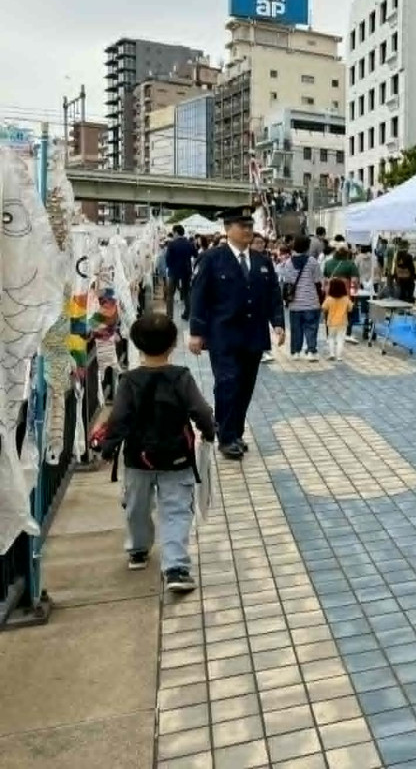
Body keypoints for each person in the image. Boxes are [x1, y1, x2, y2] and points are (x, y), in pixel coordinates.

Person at [100, 314, 215, 592]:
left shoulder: (129, 380)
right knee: (176, 510)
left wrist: (109, 446)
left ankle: (138, 550)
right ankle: (176, 568)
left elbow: (119, 417)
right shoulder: (181, 377)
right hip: (176, 456)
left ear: (137, 345)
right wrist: (208, 431)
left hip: (137, 458)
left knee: (136, 506)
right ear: (173, 344)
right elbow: (201, 410)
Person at [189, 207, 285, 459]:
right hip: (223, 336)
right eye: (242, 226)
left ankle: (236, 432)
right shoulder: (211, 259)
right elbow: (198, 296)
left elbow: (273, 295)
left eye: (250, 226)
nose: (248, 230)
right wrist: (196, 332)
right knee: (227, 384)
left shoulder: (262, 261)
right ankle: (226, 436)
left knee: (245, 387)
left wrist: (278, 323)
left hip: (253, 336)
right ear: (228, 229)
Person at [277, 234, 324, 362]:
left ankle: (295, 352)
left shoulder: (288, 263)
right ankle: (311, 351)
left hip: (295, 303)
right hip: (311, 301)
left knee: (296, 329)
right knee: (311, 327)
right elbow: (317, 281)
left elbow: (287, 281)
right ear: (307, 247)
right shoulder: (312, 261)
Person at [164, 225, 197, 322]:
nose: (173, 235)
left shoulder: (171, 244)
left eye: (173, 233)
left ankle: (170, 316)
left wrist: (170, 267)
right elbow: (195, 255)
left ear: (176, 232)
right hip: (186, 271)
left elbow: (168, 259)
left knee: (170, 294)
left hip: (174, 271)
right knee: (186, 293)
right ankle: (187, 313)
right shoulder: (190, 243)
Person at [322, 277, 351, 360]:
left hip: (331, 322)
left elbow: (324, 307)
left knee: (331, 338)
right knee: (340, 339)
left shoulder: (329, 299)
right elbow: (350, 308)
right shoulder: (346, 299)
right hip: (343, 322)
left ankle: (332, 354)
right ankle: (339, 356)